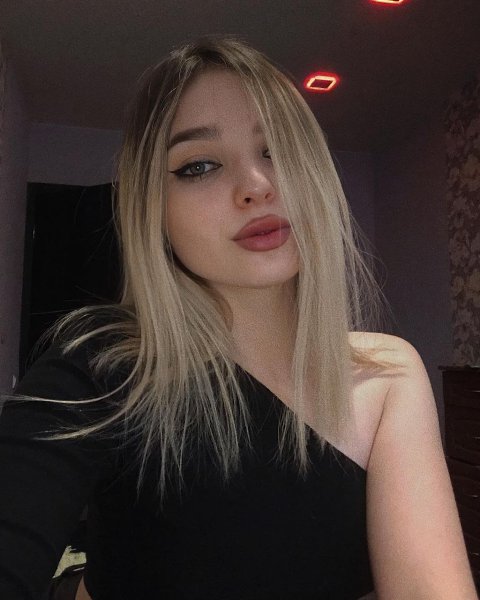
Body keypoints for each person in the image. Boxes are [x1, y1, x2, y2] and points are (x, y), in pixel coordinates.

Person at [0, 35, 476, 600]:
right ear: (154, 211)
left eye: (278, 150)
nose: (256, 187)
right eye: (199, 166)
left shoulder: (387, 374)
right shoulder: (103, 364)